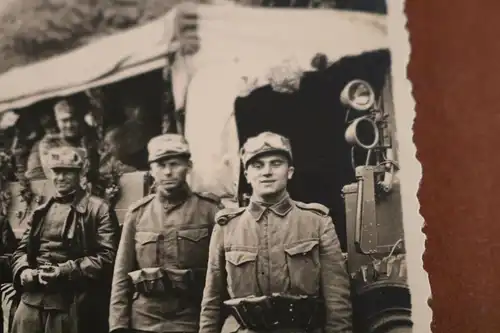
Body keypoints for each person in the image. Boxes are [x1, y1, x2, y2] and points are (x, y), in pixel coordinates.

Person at [199, 131, 353, 333]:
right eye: (257, 165)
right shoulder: (227, 227)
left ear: (289, 172)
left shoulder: (317, 222)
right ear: (247, 175)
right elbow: (211, 300)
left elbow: (337, 298)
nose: (267, 172)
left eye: (276, 164)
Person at [109, 133, 223, 333]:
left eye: (175, 164)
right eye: (161, 165)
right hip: (144, 321)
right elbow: (121, 274)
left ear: (189, 166)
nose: (168, 172)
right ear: (151, 170)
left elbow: (220, 275)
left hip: (191, 320)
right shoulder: (138, 213)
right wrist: (118, 325)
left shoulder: (210, 211)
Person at [10, 146, 120, 333]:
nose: (60, 178)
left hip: (71, 304)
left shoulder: (99, 209)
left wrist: (64, 270)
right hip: (31, 303)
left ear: (80, 174)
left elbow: (108, 257)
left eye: (67, 173)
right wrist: (23, 271)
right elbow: (21, 251)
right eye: (57, 172)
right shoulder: (40, 212)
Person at [25, 99, 99, 185]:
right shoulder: (49, 143)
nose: (69, 125)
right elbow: (53, 175)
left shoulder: (88, 138)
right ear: (57, 122)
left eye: (73, 119)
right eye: (64, 121)